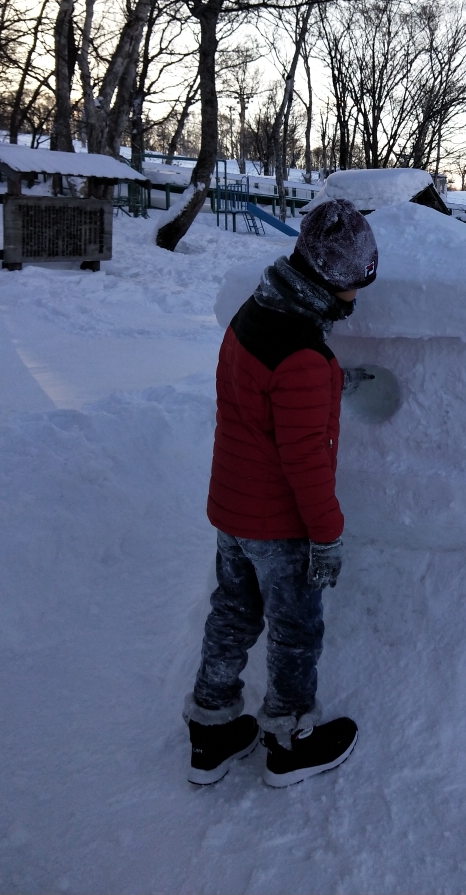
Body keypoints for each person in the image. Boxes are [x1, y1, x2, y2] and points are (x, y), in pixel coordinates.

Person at [183, 198, 378, 787]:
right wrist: (327, 536)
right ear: (327, 279)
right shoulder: (303, 358)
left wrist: (330, 381)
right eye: (353, 285)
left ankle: (212, 731)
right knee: (296, 631)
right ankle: (290, 741)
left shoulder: (256, 312)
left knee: (233, 613)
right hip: (279, 525)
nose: (356, 297)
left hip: (232, 509)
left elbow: (262, 398)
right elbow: (306, 462)